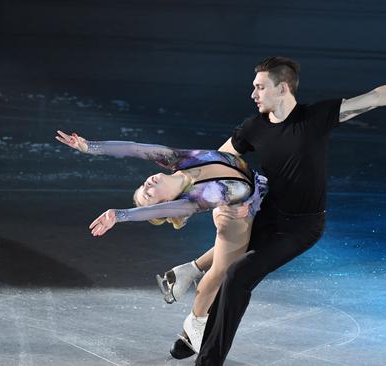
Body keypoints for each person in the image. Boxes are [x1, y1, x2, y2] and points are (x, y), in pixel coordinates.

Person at [191, 56, 386, 365]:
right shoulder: (253, 127)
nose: (253, 94)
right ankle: (194, 333)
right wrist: (184, 185)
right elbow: (215, 160)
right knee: (229, 274)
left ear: (282, 88)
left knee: (236, 275)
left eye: (260, 87)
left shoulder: (315, 118)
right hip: (267, 217)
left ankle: (205, 354)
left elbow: (379, 97)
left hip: (302, 228)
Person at [54, 131, 267, 354]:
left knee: (250, 247)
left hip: (260, 194)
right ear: (163, 203)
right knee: (221, 273)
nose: (146, 184)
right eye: (149, 194)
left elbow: (134, 148)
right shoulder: (191, 201)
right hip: (237, 217)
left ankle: (187, 271)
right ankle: (196, 322)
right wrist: (119, 215)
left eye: (142, 186)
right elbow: (160, 211)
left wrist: (90, 147)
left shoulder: (179, 159)